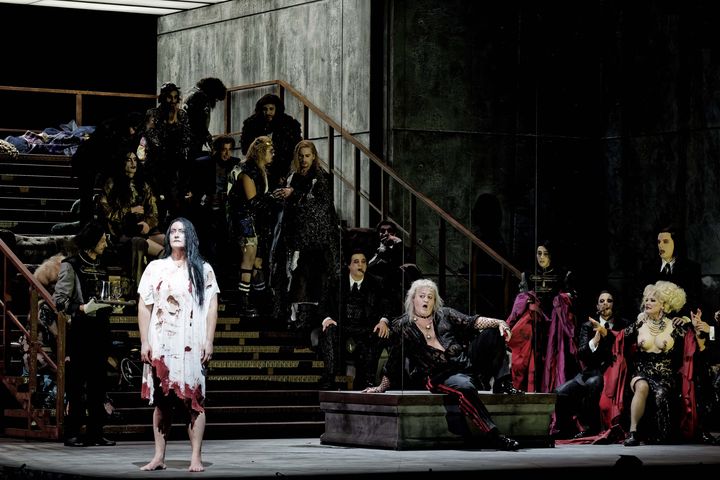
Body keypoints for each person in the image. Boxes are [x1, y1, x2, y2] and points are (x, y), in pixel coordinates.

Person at [363, 278, 522, 451]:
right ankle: (494, 436)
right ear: (413, 299)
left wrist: (500, 322)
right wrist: (381, 387)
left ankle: (502, 382)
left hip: (465, 364)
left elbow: (472, 322)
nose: (426, 300)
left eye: (430, 297)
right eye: (422, 296)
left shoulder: (444, 314)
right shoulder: (403, 326)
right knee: (465, 387)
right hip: (439, 376)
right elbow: (394, 360)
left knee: (493, 333)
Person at [137, 217, 219, 472]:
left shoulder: (202, 269)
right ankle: (158, 456)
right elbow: (144, 305)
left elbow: (212, 306)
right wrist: (144, 341)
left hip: (191, 341)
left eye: (181, 230)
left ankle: (196, 457)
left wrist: (208, 340)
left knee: (192, 399)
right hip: (162, 341)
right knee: (162, 400)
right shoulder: (155, 268)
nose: (175, 234)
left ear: (190, 236)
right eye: (172, 230)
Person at [53, 221, 115, 447]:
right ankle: (72, 432)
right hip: (81, 331)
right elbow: (59, 300)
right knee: (77, 384)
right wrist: (80, 308)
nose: (106, 243)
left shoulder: (102, 264)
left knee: (99, 384)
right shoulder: (71, 265)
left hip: (100, 330)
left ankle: (95, 432)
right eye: (102, 239)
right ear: (92, 241)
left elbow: (105, 293)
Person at [270, 140, 341, 329]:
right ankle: (292, 318)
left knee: (311, 279)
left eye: (307, 156)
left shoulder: (320, 177)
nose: (303, 160)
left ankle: (309, 321)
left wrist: (294, 195)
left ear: (314, 156)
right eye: (301, 156)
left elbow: (321, 206)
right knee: (291, 276)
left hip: (315, 240)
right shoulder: (293, 176)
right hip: (293, 235)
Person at [622, 280, 701, 446]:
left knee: (660, 393)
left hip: (665, 376)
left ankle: (661, 434)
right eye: (647, 300)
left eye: (653, 300)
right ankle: (633, 432)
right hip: (642, 372)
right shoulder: (640, 323)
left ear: (664, 305)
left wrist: (691, 323)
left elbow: (692, 347)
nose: (647, 303)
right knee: (641, 386)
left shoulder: (675, 325)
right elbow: (619, 341)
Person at [553, 290, 628, 439]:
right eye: (602, 301)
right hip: (589, 371)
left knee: (593, 384)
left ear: (614, 304)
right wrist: (595, 340)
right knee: (560, 391)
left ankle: (590, 427)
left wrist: (605, 333)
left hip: (611, 371)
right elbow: (581, 353)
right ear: (597, 306)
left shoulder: (623, 324)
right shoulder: (588, 325)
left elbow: (621, 347)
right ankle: (565, 429)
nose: (605, 303)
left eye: (609, 300)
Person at [508, 240, 579, 393]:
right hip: (535, 321)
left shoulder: (563, 274)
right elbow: (521, 297)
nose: (541, 257)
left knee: (552, 357)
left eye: (545, 254)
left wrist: (562, 298)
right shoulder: (528, 274)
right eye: (539, 253)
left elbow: (572, 296)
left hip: (556, 321)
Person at [320, 248, 390, 390]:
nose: (360, 265)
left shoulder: (377, 283)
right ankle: (329, 378)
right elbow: (323, 304)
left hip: (366, 329)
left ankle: (367, 380)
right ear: (349, 265)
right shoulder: (336, 282)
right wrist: (326, 319)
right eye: (356, 262)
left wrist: (383, 321)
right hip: (341, 328)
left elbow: (387, 305)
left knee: (380, 334)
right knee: (330, 330)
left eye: (363, 262)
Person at [227, 135, 278, 316]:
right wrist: (273, 199)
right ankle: (243, 303)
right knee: (249, 259)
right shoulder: (248, 171)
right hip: (245, 221)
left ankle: (262, 301)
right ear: (260, 152)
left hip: (255, 221)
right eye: (269, 151)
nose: (273, 154)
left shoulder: (260, 170)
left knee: (257, 262)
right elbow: (252, 202)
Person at [71, 111, 145, 227]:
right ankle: (86, 227)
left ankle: (102, 224)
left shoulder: (134, 133)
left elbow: (129, 152)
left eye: (136, 129)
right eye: (132, 127)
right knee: (87, 196)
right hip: (87, 160)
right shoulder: (110, 128)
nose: (133, 131)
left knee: (107, 194)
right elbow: (107, 152)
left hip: (103, 161)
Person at [141, 82, 193, 226]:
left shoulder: (182, 115)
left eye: (176, 97)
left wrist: (175, 121)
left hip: (176, 165)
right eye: (170, 97)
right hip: (157, 165)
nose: (173, 101)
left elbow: (187, 139)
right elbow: (153, 139)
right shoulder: (153, 114)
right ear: (163, 98)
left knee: (177, 201)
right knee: (158, 201)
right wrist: (170, 123)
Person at [98, 149, 165, 259]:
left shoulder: (143, 184)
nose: (133, 163)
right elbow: (107, 213)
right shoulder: (111, 184)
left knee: (176, 245)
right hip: (122, 232)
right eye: (129, 160)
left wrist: (148, 224)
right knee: (163, 252)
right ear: (122, 162)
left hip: (143, 229)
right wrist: (130, 210)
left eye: (135, 160)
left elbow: (153, 210)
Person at [188, 134, 240, 275]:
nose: (227, 153)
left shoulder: (236, 164)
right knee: (208, 248)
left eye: (230, 149)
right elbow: (194, 188)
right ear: (217, 150)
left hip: (227, 213)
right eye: (224, 149)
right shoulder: (203, 163)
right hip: (207, 212)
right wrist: (206, 198)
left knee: (225, 249)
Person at [240, 93, 302, 189]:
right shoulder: (251, 125)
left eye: (271, 109)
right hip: (258, 169)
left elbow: (295, 149)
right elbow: (246, 149)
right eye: (265, 109)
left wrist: (285, 172)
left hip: (282, 169)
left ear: (277, 109)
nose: (268, 112)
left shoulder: (289, 125)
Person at [640, 225, 702, 317]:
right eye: (659, 242)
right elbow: (639, 296)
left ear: (675, 244)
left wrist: (685, 318)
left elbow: (695, 298)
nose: (660, 245)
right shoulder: (648, 268)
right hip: (652, 320)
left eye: (665, 242)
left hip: (680, 321)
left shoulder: (691, 268)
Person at [183, 77, 227, 163]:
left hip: (184, 139)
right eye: (216, 99)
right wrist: (209, 139)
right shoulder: (201, 97)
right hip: (192, 140)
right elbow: (199, 123)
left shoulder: (190, 92)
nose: (216, 101)